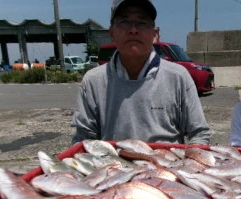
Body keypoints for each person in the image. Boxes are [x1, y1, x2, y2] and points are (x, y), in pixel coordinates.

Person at [71, 0, 210, 145]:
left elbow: (199, 133)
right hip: (114, 165)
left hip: (166, 166)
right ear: (111, 33)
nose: (133, 30)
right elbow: (84, 138)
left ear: (155, 34)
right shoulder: (93, 80)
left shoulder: (178, 77)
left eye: (142, 22)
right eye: (124, 21)